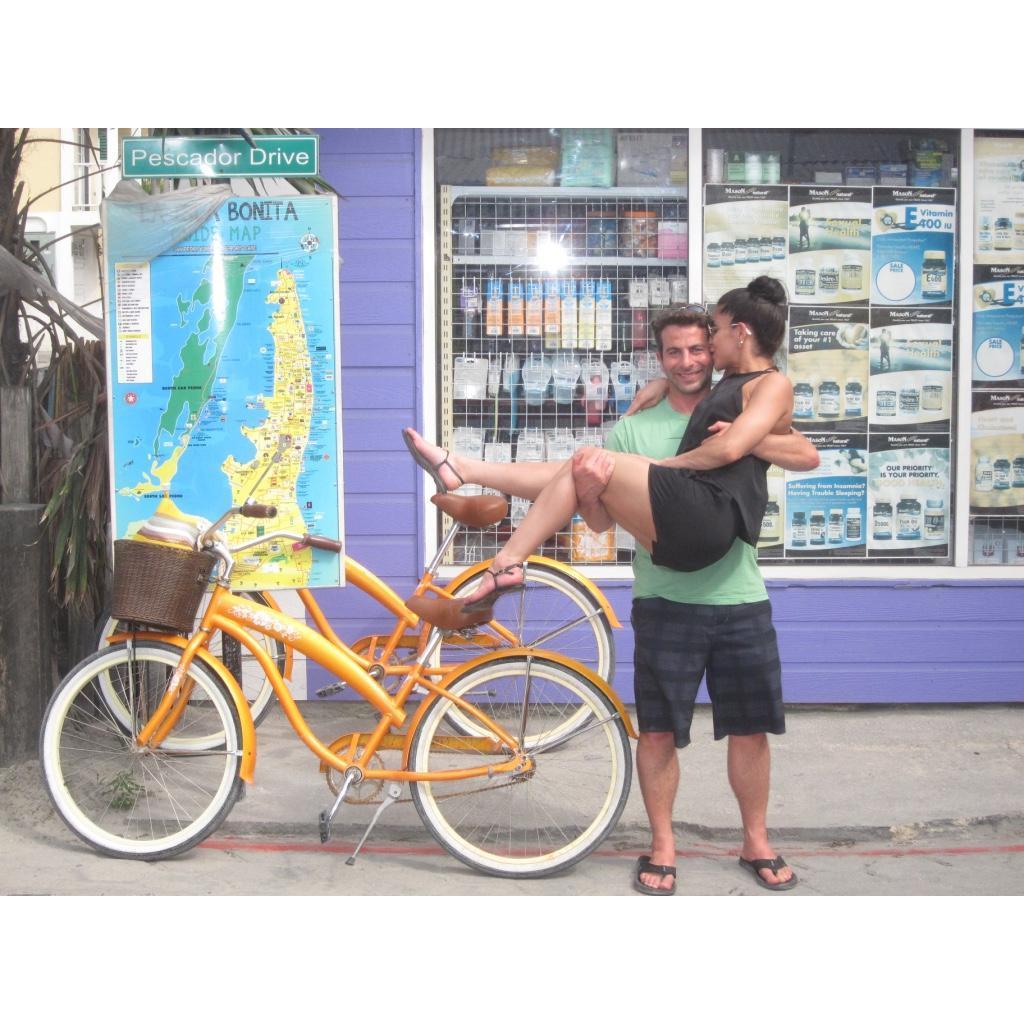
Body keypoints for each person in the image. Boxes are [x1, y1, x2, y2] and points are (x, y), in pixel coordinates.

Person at [571, 305, 817, 895]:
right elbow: (602, 526)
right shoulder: (634, 427)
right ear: (659, 359)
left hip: (740, 596)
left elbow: (806, 452)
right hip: (663, 599)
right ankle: (662, 843)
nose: (686, 362)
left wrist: (742, 442)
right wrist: (585, 493)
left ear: (718, 350)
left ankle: (754, 838)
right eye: (673, 353)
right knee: (656, 731)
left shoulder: (743, 405)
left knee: (750, 729)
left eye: (696, 350)